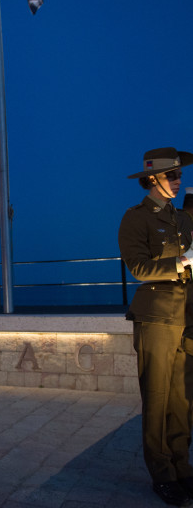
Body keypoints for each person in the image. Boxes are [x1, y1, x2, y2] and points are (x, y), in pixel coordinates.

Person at [119, 147, 193, 506]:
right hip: (156, 318)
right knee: (158, 399)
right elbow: (139, 268)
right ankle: (162, 474)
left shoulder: (183, 218)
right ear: (152, 179)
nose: (178, 181)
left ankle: (182, 469)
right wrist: (181, 262)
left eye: (179, 175)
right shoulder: (136, 219)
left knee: (182, 401)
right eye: (172, 176)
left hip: (186, 318)